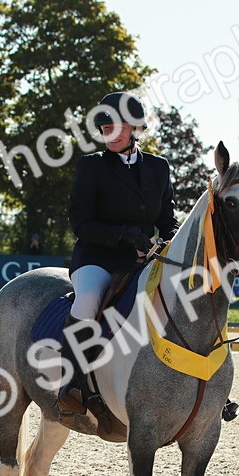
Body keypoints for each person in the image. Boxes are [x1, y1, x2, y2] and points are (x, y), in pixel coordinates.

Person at [60, 91, 178, 418]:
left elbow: (168, 220)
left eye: (115, 127)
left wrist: (170, 241)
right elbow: (81, 223)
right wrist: (125, 235)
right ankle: (70, 384)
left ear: (134, 128)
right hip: (97, 258)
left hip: (143, 260)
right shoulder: (92, 166)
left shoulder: (158, 167)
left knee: (181, 298)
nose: (108, 134)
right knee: (88, 301)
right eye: (104, 129)